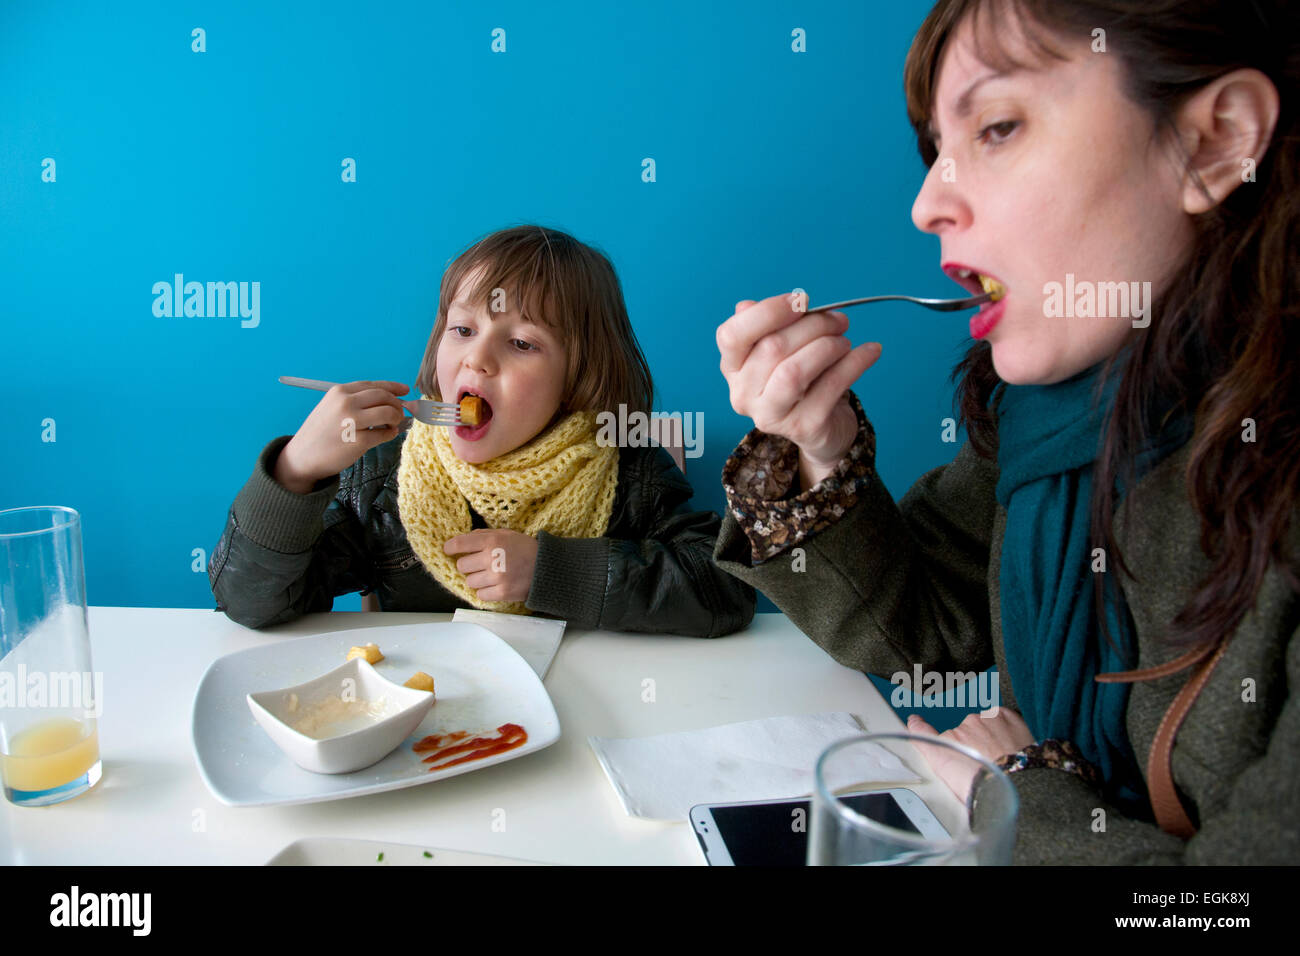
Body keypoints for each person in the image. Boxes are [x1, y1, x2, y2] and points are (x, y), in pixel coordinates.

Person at [712, 0, 1298, 863]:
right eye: (935, 152)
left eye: (995, 127)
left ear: (1215, 144)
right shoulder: (1058, 412)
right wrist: (819, 449)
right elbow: (924, 634)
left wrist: (1019, 792)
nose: (926, 203)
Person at [210, 225, 754, 639]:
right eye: (463, 329)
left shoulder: (626, 462)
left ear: (576, 377)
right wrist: (295, 471)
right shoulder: (384, 474)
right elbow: (250, 603)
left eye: (521, 343)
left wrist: (555, 571)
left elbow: (726, 589)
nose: (477, 358)